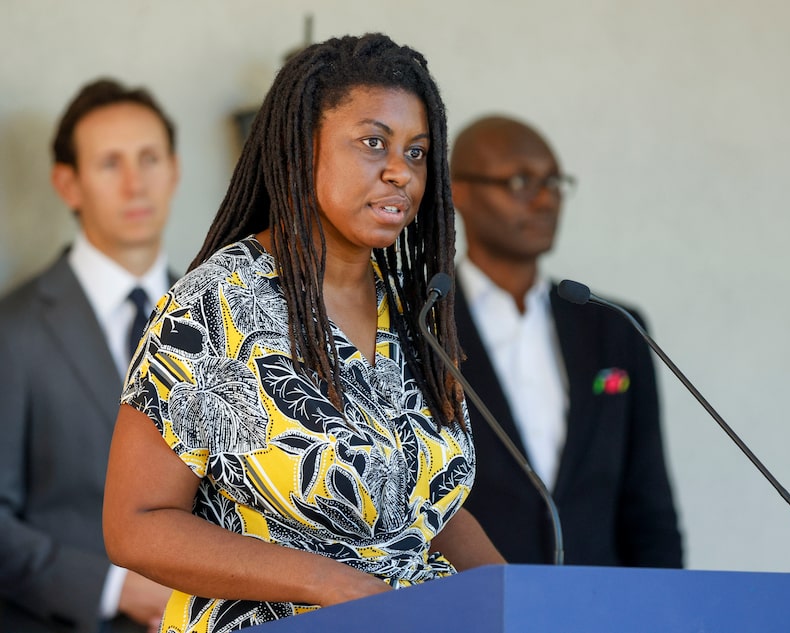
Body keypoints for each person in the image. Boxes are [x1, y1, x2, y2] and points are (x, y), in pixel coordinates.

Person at [102, 33, 505, 632]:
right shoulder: (214, 308)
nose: (400, 171)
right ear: (301, 148)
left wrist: (519, 595)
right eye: (374, 143)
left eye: (417, 152)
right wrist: (328, 583)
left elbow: (421, 506)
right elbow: (136, 523)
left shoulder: (413, 311)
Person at [450, 115, 683, 567]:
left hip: (601, 607)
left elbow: (649, 503)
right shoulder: (422, 326)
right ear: (458, 191)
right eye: (520, 181)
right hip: (471, 606)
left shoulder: (615, 327)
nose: (545, 200)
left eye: (554, 182)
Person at [0, 78, 179, 632]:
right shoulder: (14, 329)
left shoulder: (218, 319)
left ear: (174, 170)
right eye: (110, 164)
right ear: (67, 184)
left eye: (149, 159)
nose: (135, 184)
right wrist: (112, 587)